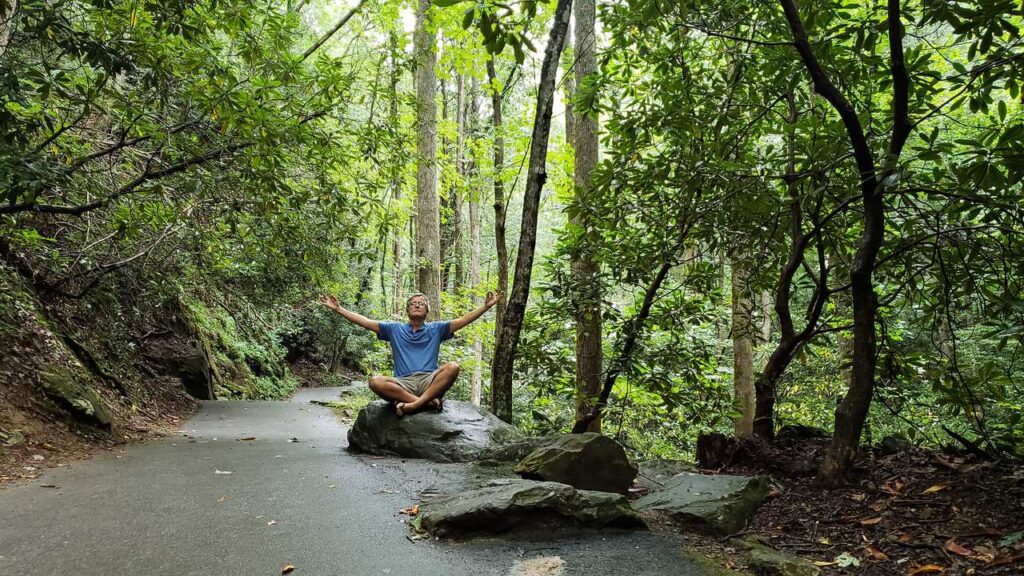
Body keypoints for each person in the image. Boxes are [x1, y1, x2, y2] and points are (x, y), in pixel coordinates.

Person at [319, 291, 503, 416]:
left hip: (428, 380)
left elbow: (464, 319)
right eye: (413, 304)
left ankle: (414, 405)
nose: (417, 305)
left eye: (421, 304)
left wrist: (486, 307)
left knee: (453, 367)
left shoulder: (436, 329)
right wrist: (339, 309)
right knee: (375, 381)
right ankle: (426, 403)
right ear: (407, 310)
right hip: (402, 382)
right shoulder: (394, 329)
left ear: (427, 310)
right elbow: (366, 322)